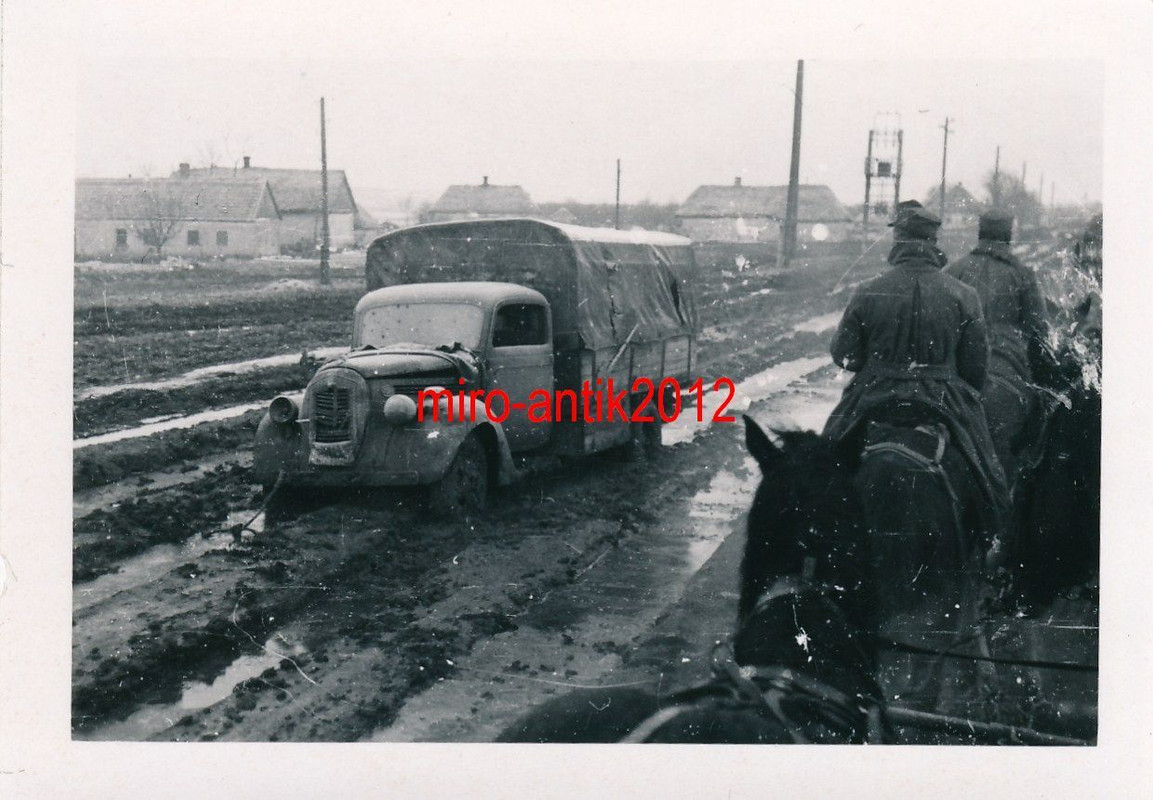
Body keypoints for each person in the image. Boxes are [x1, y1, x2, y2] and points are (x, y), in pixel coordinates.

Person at [823, 200, 1010, 551]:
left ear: (898, 239)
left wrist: (878, 360)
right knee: (988, 473)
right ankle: (992, 546)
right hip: (944, 397)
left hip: (873, 392)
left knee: (821, 467)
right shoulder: (964, 295)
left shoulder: (867, 290)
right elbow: (975, 369)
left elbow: (843, 356)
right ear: (934, 241)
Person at [944, 210, 1048, 486]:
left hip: (959, 365)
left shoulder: (954, 270)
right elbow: (1038, 330)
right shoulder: (1022, 275)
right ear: (1009, 236)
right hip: (1008, 361)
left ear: (980, 233)